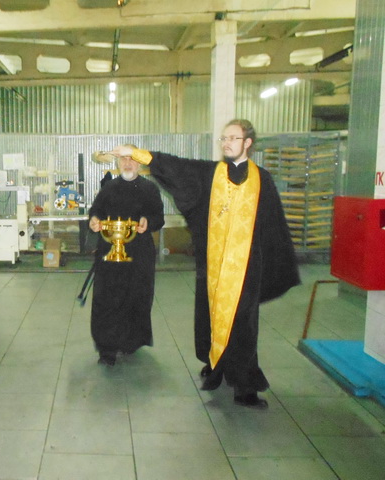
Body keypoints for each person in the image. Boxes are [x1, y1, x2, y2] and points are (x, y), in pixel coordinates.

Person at [109, 119, 300, 408]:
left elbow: (273, 227)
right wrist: (136, 153)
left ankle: (244, 385)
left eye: (233, 138)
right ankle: (216, 365)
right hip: (213, 267)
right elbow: (176, 167)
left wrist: (271, 266)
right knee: (212, 318)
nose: (226, 143)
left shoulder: (263, 180)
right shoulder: (212, 174)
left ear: (248, 143)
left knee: (243, 325)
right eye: (224, 138)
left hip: (247, 268)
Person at [88, 148, 164, 366]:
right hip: (109, 253)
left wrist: (148, 222)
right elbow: (96, 210)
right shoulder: (109, 187)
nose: (128, 163)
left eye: (132, 159)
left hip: (139, 254)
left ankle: (131, 342)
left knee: (136, 297)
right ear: (118, 162)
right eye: (123, 159)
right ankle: (107, 348)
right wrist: (94, 220)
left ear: (139, 163)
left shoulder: (150, 189)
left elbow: (158, 217)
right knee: (107, 299)